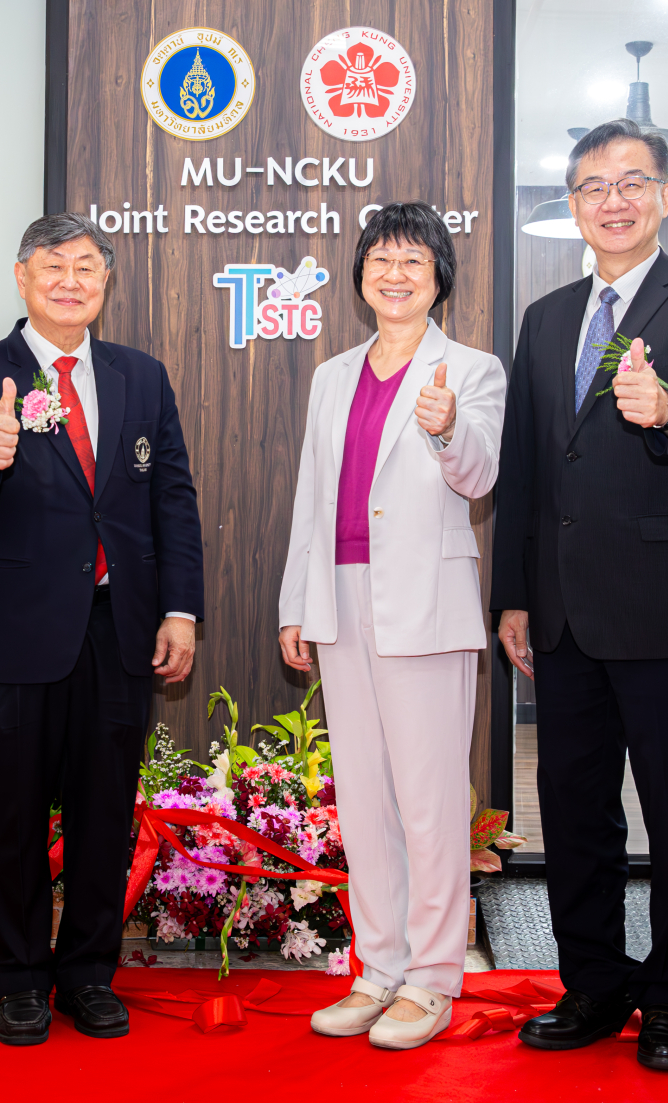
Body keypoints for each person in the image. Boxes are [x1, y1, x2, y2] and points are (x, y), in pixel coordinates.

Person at [492, 118, 668, 1072]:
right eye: (593, 186)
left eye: (632, 182)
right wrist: (515, 593)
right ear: (572, 206)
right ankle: (594, 982)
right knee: (574, 809)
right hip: (562, 612)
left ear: (665, 198)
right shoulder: (548, 315)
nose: (613, 198)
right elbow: (526, 462)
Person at [0, 212, 204, 1047]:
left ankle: (87, 973)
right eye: (54, 265)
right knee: (11, 814)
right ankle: (18, 979)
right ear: (21, 277)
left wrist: (179, 608)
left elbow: (172, 498)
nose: (71, 279)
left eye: (87, 265)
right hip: (14, 635)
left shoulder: (140, 376)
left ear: (105, 282)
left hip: (119, 629)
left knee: (102, 812)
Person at [276, 202, 505, 1050]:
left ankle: (435, 976)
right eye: (381, 259)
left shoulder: (472, 369)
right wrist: (295, 601)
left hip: (425, 604)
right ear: (361, 274)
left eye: (414, 260)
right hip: (339, 596)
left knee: (429, 800)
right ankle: (377, 968)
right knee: (365, 799)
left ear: (440, 275)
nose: (396, 274)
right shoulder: (332, 373)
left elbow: (479, 476)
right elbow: (312, 494)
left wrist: (447, 431)